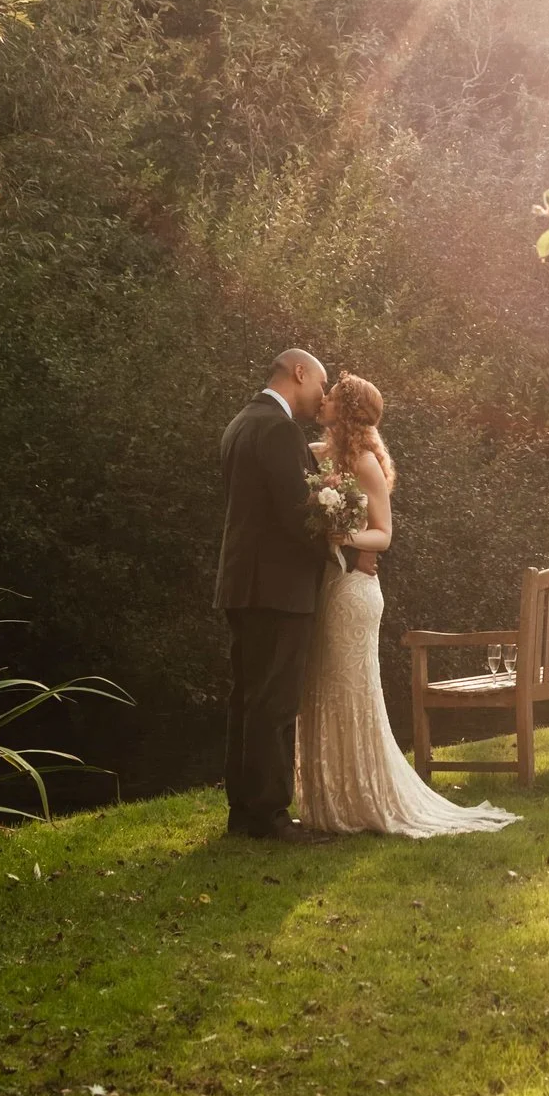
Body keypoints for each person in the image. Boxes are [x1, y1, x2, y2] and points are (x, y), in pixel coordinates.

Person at [294, 373, 518, 837]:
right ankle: (331, 799)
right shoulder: (328, 455)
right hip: (331, 584)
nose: (324, 399)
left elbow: (384, 534)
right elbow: (297, 459)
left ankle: (362, 800)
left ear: (348, 408)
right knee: (322, 686)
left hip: (355, 588)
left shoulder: (364, 462)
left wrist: (342, 534)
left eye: (332, 395)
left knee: (349, 691)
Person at [214, 349, 333, 842]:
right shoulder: (280, 430)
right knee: (275, 703)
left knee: (245, 698)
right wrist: (337, 546)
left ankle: (243, 810)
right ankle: (270, 815)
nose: (320, 399)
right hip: (278, 587)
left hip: (242, 583)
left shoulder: (239, 423)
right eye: (319, 387)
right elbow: (298, 515)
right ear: (298, 373)